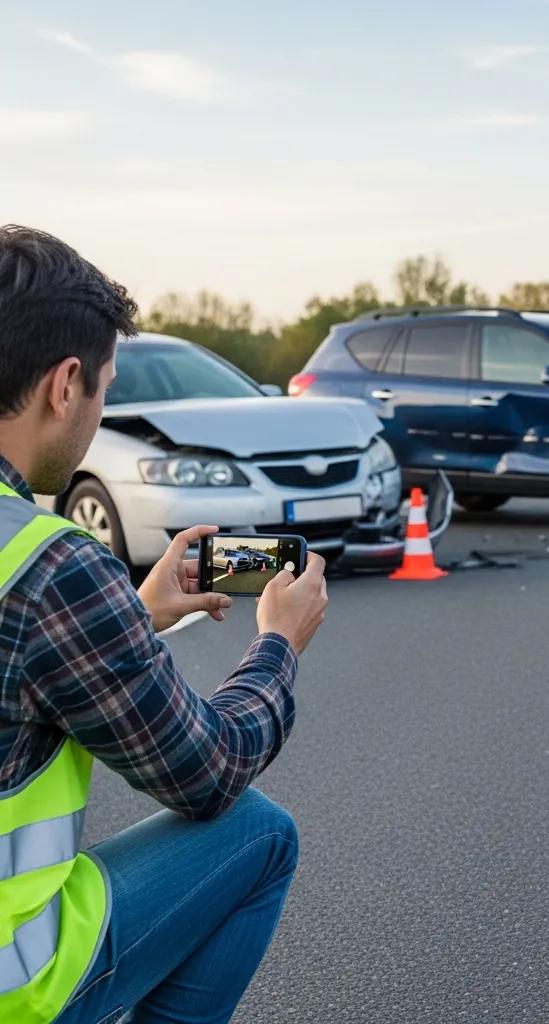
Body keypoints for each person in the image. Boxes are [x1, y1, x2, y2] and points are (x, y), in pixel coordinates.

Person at [0, 225, 328, 1024]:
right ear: (65, 384)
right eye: (107, 386)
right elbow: (204, 772)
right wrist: (277, 644)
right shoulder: (49, 566)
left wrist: (134, 615)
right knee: (259, 834)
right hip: (12, 987)